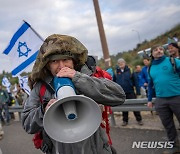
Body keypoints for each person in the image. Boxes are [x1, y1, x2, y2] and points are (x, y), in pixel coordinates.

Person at [21, 34, 126, 154]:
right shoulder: (40, 87)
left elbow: (119, 96)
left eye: (65, 60)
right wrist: (43, 110)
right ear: (48, 65)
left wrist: (79, 79)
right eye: (55, 61)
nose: (61, 66)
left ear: (73, 61)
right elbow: (27, 123)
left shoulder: (87, 76)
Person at [147, 44, 180, 154]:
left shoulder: (172, 61)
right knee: (168, 125)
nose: (159, 51)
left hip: (177, 96)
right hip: (161, 100)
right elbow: (151, 84)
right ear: (151, 54)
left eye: (161, 49)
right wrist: (149, 99)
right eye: (156, 50)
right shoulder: (151, 67)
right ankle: (174, 146)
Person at [114, 58, 143, 126]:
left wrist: (138, 92)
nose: (121, 64)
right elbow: (114, 83)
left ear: (125, 63)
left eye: (122, 63)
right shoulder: (116, 72)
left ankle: (139, 120)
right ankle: (125, 121)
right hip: (121, 93)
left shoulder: (130, 71)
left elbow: (136, 82)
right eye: (119, 63)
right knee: (124, 107)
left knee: (135, 106)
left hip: (130, 91)